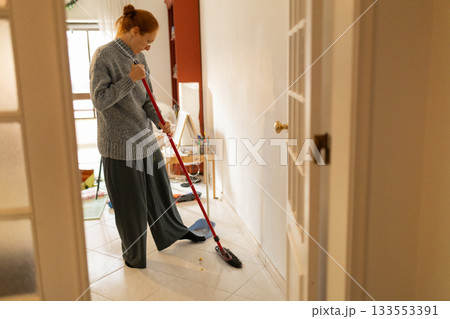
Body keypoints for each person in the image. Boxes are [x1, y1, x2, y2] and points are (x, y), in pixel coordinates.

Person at [90, 4, 205, 269]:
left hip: (144, 137)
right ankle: (134, 258)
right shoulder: (103, 56)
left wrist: (160, 121)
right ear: (134, 31)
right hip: (119, 146)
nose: (149, 48)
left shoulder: (140, 58)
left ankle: (172, 233)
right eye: (148, 41)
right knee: (131, 208)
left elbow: (147, 99)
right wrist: (129, 79)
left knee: (161, 193)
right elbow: (99, 100)